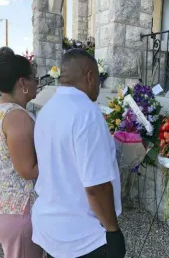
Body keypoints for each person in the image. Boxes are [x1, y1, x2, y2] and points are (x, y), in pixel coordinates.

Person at [32, 49, 126, 258]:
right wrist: (113, 231)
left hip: (49, 225)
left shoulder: (46, 109)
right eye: (99, 79)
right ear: (90, 76)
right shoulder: (86, 112)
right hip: (81, 235)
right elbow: (96, 186)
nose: (99, 86)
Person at [0, 47, 42, 258]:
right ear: (22, 83)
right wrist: (62, 157)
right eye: (33, 78)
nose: (36, 82)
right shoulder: (17, 116)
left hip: (2, 201)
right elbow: (27, 170)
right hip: (18, 209)